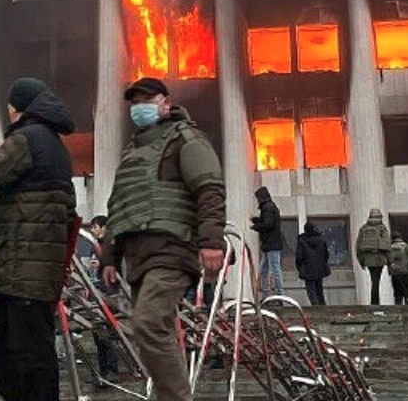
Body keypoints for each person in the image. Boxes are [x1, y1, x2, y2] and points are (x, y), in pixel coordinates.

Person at [101, 77, 226, 401]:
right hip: (138, 256)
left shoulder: (186, 140)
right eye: (134, 101)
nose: (139, 106)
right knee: (157, 332)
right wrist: (109, 258)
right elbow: (119, 205)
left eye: (147, 98)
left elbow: (209, 190)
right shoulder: (132, 152)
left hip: (172, 249)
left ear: (165, 102)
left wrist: (212, 242)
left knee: (148, 323)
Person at [0, 77, 77, 401]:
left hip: (25, 263)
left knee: (31, 350)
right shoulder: (54, 142)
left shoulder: (27, 138)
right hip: (22, 265)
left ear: (18, 107)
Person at [75, 216, 119, 383]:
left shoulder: (109, 248)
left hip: (106, 294)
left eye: (95, 227)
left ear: (104, 228)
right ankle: (102, 372)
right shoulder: (94, 247)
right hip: (95, 294)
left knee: (107, 335)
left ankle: (112, 371)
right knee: (98, 335)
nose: (92, 230)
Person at [250, 186, 284, 297]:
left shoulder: (268, 208)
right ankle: (266, 293)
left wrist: (256, 226)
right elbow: (268, 221)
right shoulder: (270, 207)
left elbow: (268, 224)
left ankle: (278, 293)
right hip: (270, 244)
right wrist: (257, 221)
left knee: (274, 269)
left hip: (271, 244)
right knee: (264, 270)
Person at [354, 208, 390, 306]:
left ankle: (374, 301)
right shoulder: (382, 228)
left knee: (373, 279)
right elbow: (387, 244)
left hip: (368, 258)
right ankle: (375, 302)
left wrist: (361, 261)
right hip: (379, 258)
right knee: (376, 280)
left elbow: (358, 246)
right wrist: (389, 261)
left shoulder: (363, 228)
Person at [295, 221, 330, 306]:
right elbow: (326, 254)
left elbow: (299, 256)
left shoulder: (302, 241)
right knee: (319, 290)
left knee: (311, 291)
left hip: (307, 268)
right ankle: (323, 307)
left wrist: (300, 267)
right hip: (320, 268)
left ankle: (315, 307)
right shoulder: (321, 239)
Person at [386, 233, 408, 305]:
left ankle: (398, 307)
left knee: (397, 293)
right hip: (406, 272)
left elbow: (387, 260)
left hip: (395, 273)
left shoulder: (389, 248)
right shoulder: (406, 246)